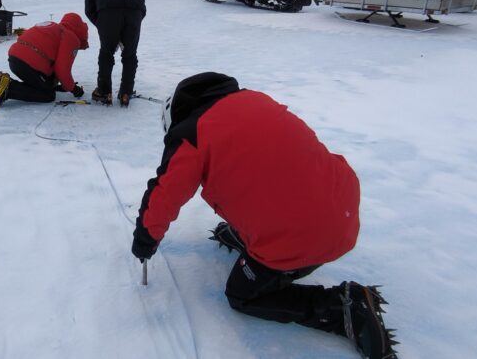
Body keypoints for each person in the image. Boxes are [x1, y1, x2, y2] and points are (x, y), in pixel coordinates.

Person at [130, 72, 397, 359]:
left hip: (306, 235)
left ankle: (341, 306)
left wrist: (145, 238)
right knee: (261, 177)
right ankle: (257, 242)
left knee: (242, 295)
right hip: (342, 206)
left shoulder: (193, 134)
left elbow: (164, 194)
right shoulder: (253, 99)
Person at [0, 13, 89, 108]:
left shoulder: (53, 27)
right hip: (29, 63)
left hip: (14, 58)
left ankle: (6, 85)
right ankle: (9, 89)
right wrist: (73, 89)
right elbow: (62, 69)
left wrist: (57, 85)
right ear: (80, 30)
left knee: (43, 85)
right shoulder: (71, 37)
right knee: (48, 95)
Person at [84, 0, 146, 107]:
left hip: (108, 11)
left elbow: (89, 9)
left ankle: (104, 92)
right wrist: (132, 25)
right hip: (134, 11)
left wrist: (103, 26)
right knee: (130, 54)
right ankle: (126, 93)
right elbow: (142, 5)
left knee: (107, 52)